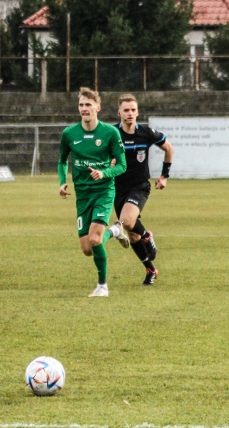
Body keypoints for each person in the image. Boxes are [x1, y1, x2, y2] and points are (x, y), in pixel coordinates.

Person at [58, 87, 130, 297]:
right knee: (87, 249)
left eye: (88, 105)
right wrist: (62, 182)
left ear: (98, 107)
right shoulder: (69, 134)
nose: (84, 109)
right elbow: (62, 160)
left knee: (95, 240)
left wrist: (104, 172)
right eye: (81, 105)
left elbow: (122, 165)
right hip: (82, 195)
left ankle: (102, 287)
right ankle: (115, 231)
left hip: (103, 192)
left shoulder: (110, 133)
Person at [114, 94, 174, 286]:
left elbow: (169, 149)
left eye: (133, 110)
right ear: (119, 113)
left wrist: (164, 176)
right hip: (117, 189)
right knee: (132, 234)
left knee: (127, 221)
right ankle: (150, 269)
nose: (130, 113)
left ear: (137, 112)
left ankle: (147, 236)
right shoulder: (112, 134)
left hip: (139, 187)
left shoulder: (146, 133)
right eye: (126, 110)